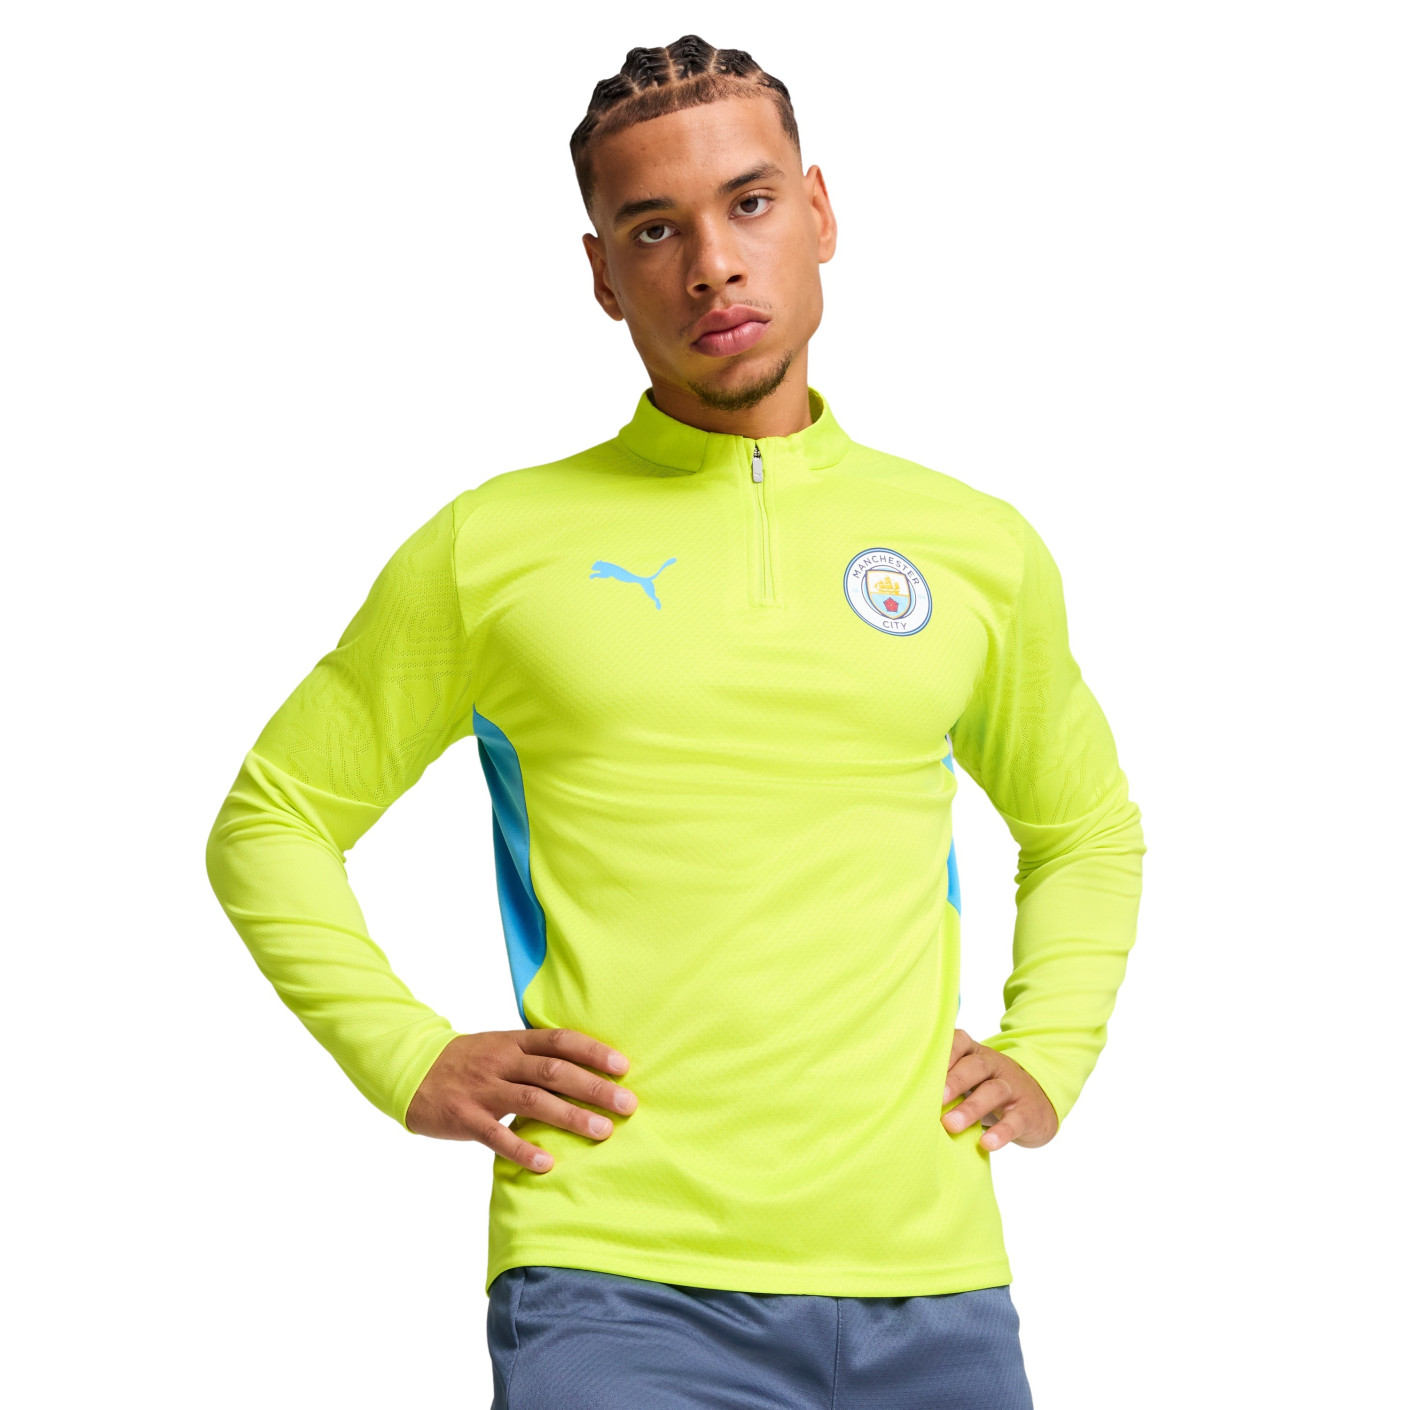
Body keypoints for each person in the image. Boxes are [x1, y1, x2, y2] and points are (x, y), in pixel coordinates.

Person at [205, 33, 1145, 1410]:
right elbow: (273, 818)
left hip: (932, 1279)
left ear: (818, 213)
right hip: (613, 1282)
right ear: (603, 274)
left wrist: (1049, 1049)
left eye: (748, 204)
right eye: (655, 229)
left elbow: (1084, 827)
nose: (712, 264)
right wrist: (404, 1054)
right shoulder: (494, 546)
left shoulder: (974, 547)